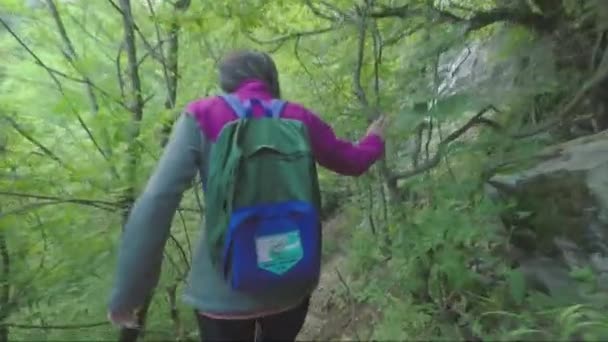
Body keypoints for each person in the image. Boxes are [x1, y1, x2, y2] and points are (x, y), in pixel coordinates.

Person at [107, 50, 387, 341]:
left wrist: (128, 294)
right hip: (290, 282)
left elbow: (156, 203)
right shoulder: (297, 117)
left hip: (221, 291)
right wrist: (374, 139)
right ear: (270, 78)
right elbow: (352, 162)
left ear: (226, 81)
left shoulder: (202, 115)